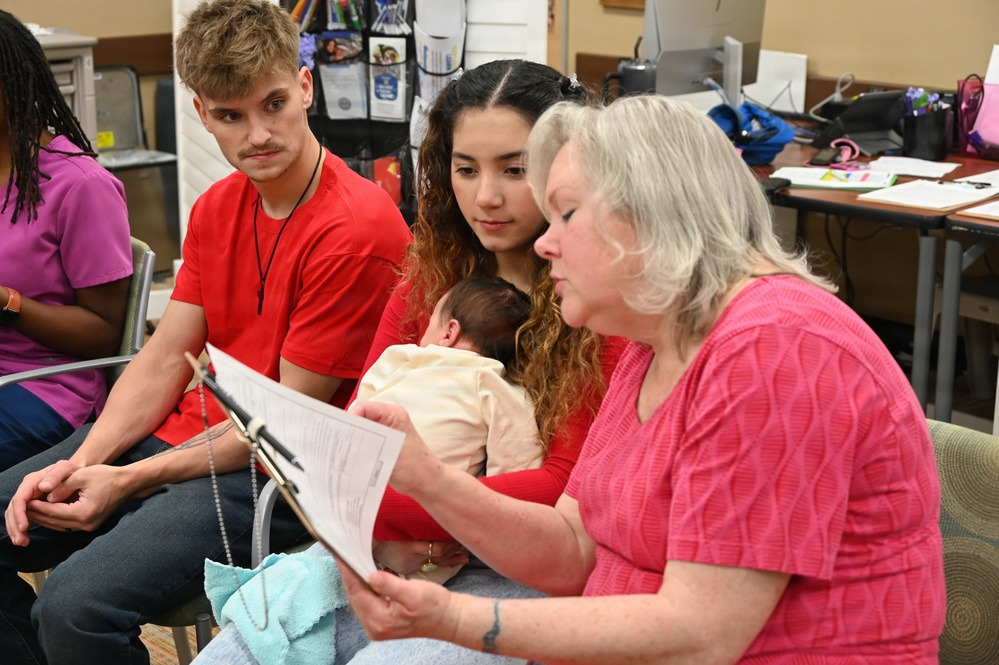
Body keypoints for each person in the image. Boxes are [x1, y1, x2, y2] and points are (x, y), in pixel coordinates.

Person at [339, 95, 947, 663]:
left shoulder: (775, 349)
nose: (546, 244)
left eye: (566, 214)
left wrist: (453, 618)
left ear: (651, 214)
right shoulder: (653, 340)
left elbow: (703, 635)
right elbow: (573, 550)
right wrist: (429, 479)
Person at [0, 0, 411, 662]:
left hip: (276, 475)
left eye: (273, 104)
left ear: (305, 87)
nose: (258, 134)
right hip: (187, 436)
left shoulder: (357, 230)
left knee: (74, 607)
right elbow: (166, 355)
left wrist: (128, 479)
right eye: (230, 116)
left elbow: (278, 427)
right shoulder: (220, 204)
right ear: (201, 114)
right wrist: (83, 461)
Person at [193, 59, 626, 665]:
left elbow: (558, 490)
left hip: (518, 563)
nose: (486, 197)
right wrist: (371, 522)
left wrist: (372, 506)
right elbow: (355, 434)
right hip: (387, 543)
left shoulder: (599, 302)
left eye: (515, 170)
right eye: (466, 169)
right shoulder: (431, 278)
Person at [0, 10, 132, 472]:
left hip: (49, 389)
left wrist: (8, 303)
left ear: (12, 85)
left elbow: (104, 334)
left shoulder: (80, 185)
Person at [359, 273, 540, 482]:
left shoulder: (400, 357)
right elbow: (517, 467)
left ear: (448, 333)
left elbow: (357, 410)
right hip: (432, 492)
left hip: (358, 469)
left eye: (431, 322)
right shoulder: (496, 388)